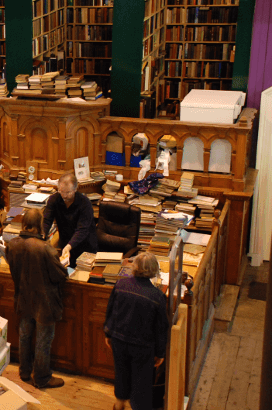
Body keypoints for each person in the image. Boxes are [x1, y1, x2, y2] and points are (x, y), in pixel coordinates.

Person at [6, 208, 68, 389]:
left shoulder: (12, 244)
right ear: (41, 226)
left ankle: (25, 371)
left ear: (24, 224)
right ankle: (41, 378)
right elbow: (60, 275)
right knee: (43, 340)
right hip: (45, 303)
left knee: (24, 335)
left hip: (23, 298)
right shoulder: (44, 248)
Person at [104, 253, 168, 410]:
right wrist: (160, 353)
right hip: (142, 346)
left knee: (121, 373)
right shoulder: (157, 296)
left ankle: (119, 405)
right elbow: (161, 328)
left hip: (119, 340)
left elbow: (110, 310)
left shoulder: (120, 285)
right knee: (141, 381)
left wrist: (108, 333)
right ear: (154, 270)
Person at [42, 173, 97, 268]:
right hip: (65, 243)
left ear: (75, 189)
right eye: (61, 191)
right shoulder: (54, 199)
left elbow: (82, 230)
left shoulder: (85, 203)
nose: (64, 195)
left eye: (68, 192)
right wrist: (41, 236)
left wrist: (69, 246)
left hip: (85, 246)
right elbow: (46, 221)